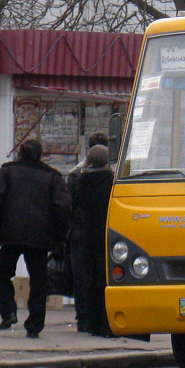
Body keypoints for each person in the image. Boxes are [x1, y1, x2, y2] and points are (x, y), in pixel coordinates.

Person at [0, 139, 71, 338]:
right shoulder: (52, 177)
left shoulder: (7, 172)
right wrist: (59, 236)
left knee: (3, 274)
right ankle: (35, 325)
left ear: (20, 154)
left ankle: (8, 312)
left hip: (10, 234)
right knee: (39, 280)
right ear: (40, 155)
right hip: (40, 238)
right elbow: (63, 208)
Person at [66, 132, 109, 332]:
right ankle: (102, 320)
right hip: (105, 235)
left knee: (83, 278)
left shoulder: (76, 176)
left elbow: (69, 205)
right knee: (103, 277)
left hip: (79, 234)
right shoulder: (113, 178)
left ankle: (85, 319)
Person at [73, 144, 115, 337]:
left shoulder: (82, 180)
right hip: (109, 234)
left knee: (90, 279)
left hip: (88, 234)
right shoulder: (112, 180)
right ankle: (107, 324)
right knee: (107, 279)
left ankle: (92, 323)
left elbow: (77, 203)